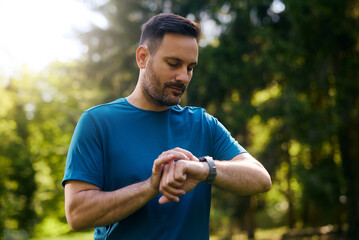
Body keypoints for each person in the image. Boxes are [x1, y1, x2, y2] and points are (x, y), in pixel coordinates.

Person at [62, 13, 271, 240]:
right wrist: (150, 187)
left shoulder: (203, 124)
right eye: (173, 64)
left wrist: (203, 169)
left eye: (190, 67)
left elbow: (260, 178)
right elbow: (77, 213)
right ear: (142, 57)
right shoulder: (97, 122)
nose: (183, 77)